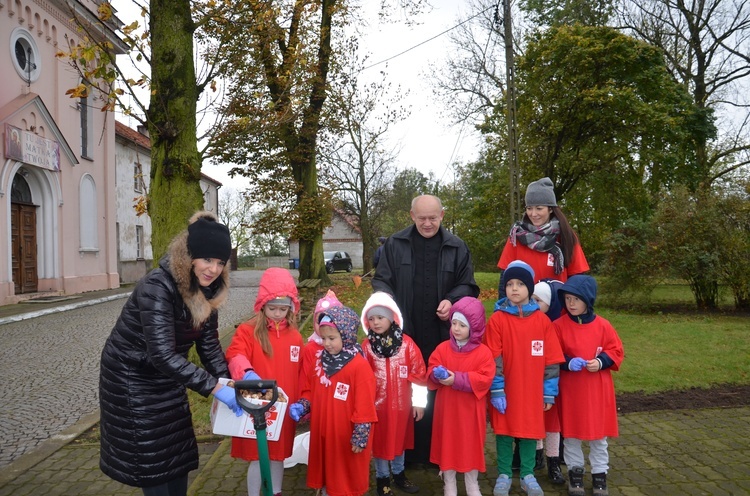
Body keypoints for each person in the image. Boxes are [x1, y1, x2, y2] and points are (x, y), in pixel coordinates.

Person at [99, 211, 238, 496]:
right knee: (152, 460)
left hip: (167, 375)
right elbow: (161, 354)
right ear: (190, 256)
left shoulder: (210, 290)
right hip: (131, 378)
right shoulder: (157, 286)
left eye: (220, 262)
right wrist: (213, 387)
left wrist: (229, 384)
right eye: (207, 259)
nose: (212, 269)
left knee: (177, 455)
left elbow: (208, 344)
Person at [372, 194, 480, 464]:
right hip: (404, 333)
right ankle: (406, 452)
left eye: (433, 218)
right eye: (422, 218)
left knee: (437, 387)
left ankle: (436, 451)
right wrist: (391, 311)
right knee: (405, 387)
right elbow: (382, 282)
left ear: (442, 215)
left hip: (443, 332)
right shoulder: (395, 244)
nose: (428, 223)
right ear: (411, 216)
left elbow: (468, 285)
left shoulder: (457, 246)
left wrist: (451, 300)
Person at [496, 177, 590, 473]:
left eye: (539, 207)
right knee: (519, 383)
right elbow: (504, 281)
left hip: (556, 320)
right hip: (521, 320)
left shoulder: (566, 238)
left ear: (551, 208)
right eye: (530, 207)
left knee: (551, 385)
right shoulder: (515, 236)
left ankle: (554, 453)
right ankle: (525, 450)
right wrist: (505, 311)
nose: (534, 213)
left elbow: (577, 280)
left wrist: (575, 315)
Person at [484, 260, 565, 496]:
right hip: (506, 391)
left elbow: (551, 360)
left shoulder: (542, 321)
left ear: (530, 288)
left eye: (520, 283)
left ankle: (528, 474)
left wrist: (549, 391)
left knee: (530, 431)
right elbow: (493, 358)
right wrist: (497, 390)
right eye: (510, 284)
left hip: (532, 391)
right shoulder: (497, 320)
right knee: (504, 431)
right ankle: (504, 474)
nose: (515, 288)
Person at [225, 267, 303, 496]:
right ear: (262, 305)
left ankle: (275, 491)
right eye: (272, 308)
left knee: (278, 455)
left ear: (291, 307)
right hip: (256, 406)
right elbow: (235, 354)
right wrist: (246, 373)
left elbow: (301, 372)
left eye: (283, 308)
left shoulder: (295, 336)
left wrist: (303, 401)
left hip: (283, 407)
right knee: (259, 456)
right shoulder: (249, 331)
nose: (278, 313)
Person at [288, 306, 378, 496]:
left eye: (332, 338)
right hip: (323, 432)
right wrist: (303, 404)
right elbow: (311, 390)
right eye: (323, 338)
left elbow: (365, 404)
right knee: (327, 473)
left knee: (345, 478)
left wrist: (361, 434)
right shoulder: (320, 361)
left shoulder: (358, 366)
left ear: (346, 336)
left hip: (345, 436)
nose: (327, 344)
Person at [554, 275, 624, 496]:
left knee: (598, 436)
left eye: (576, 299)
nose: (571, 304)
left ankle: (599, 474)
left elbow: (616, 351)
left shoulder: (603, 326)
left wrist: (601, 361)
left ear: (588, 300)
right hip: (571, 390)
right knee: (572, 434)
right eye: (567, 299)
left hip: (596, 390)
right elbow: (552, 355)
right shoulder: (558, 326)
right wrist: (566, 362)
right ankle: (575, 472)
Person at [361, 292, 428, 496]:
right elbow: (361, 379)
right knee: (380, 444)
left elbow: (419, 375)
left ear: (391, 317)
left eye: (380, 317)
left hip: (402, 407)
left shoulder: (407, 345)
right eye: (371, 319)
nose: (376, 322)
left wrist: (418, 403)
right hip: (377, 408)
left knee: (400, 441)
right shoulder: (367, 348)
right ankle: (382, 478)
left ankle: (399, 474)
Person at [428, 296, 495, 496]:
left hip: (470, 411)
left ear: (474, 327)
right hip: (447, 410)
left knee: (470, 445)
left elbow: (485, 378)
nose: (456, 328)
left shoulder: (483, 353)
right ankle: (449, 483)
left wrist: (456, 379)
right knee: (447, 443)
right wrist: (436, 374)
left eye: (462, 325)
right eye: (454, 323)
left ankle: (471, 482)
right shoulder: (442, 348)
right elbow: (431, 368)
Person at [532, 279, 567, 484]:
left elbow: (554, 359)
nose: (535, 304)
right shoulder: (530, 323)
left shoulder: (553, 327)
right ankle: (537, 457)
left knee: (552, 425)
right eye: (533, 299)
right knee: (535, 421)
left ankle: (553, 461)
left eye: (540, 301)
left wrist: (550, 389)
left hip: (550, 384)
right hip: (531, 382)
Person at [299, 290, 343, 397]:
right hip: (316, 399)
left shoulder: (346, 349)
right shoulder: (310, 349)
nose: (323, 326)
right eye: (319, 321)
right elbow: (304, 379)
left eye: (329, 321)